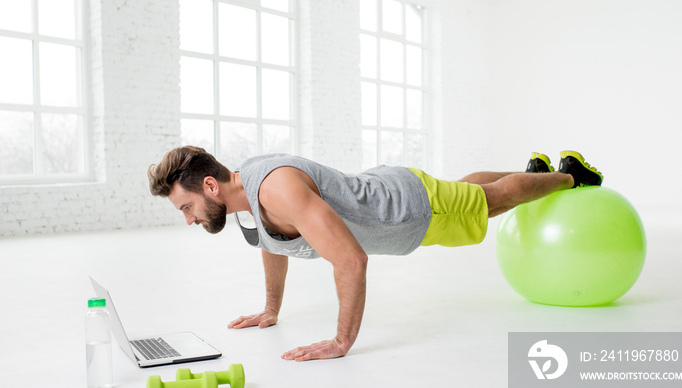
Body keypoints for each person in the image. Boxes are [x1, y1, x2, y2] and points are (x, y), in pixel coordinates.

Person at [148, 148, 602, 362]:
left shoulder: (276, 187)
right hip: (394, 198)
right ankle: (534, 171)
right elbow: (272, 244)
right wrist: (270, 309)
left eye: (186, 208)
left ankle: (569, 177)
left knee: (492, 201)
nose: (189, 219)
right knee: (468, 189)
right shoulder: (245, 198)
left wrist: (341, 341)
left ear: (209, 185)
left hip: (407, 208)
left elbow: (350, 260)